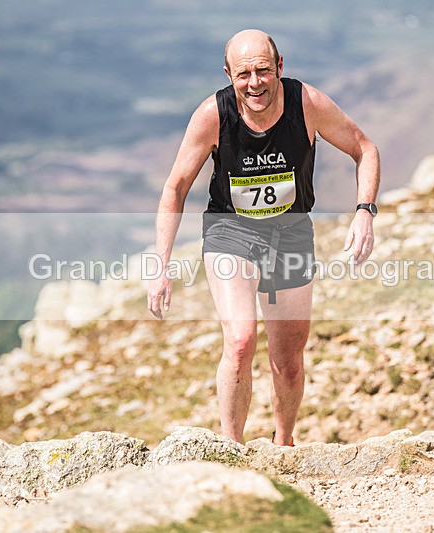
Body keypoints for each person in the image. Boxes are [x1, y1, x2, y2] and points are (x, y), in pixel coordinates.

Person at [147, 29, 380, 446]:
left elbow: (364, 148)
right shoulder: (212, 115)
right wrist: (160, 265)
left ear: (280, 67)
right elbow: (175, 187)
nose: (254, 83)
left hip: (291, 233)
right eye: (243, 75)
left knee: (287, 360)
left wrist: (364, 212)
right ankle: (231, 450)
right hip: (230, 230)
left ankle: (283, 445)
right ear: (228, 75)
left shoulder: (307, 104)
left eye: (263, 71)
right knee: (240, 340)